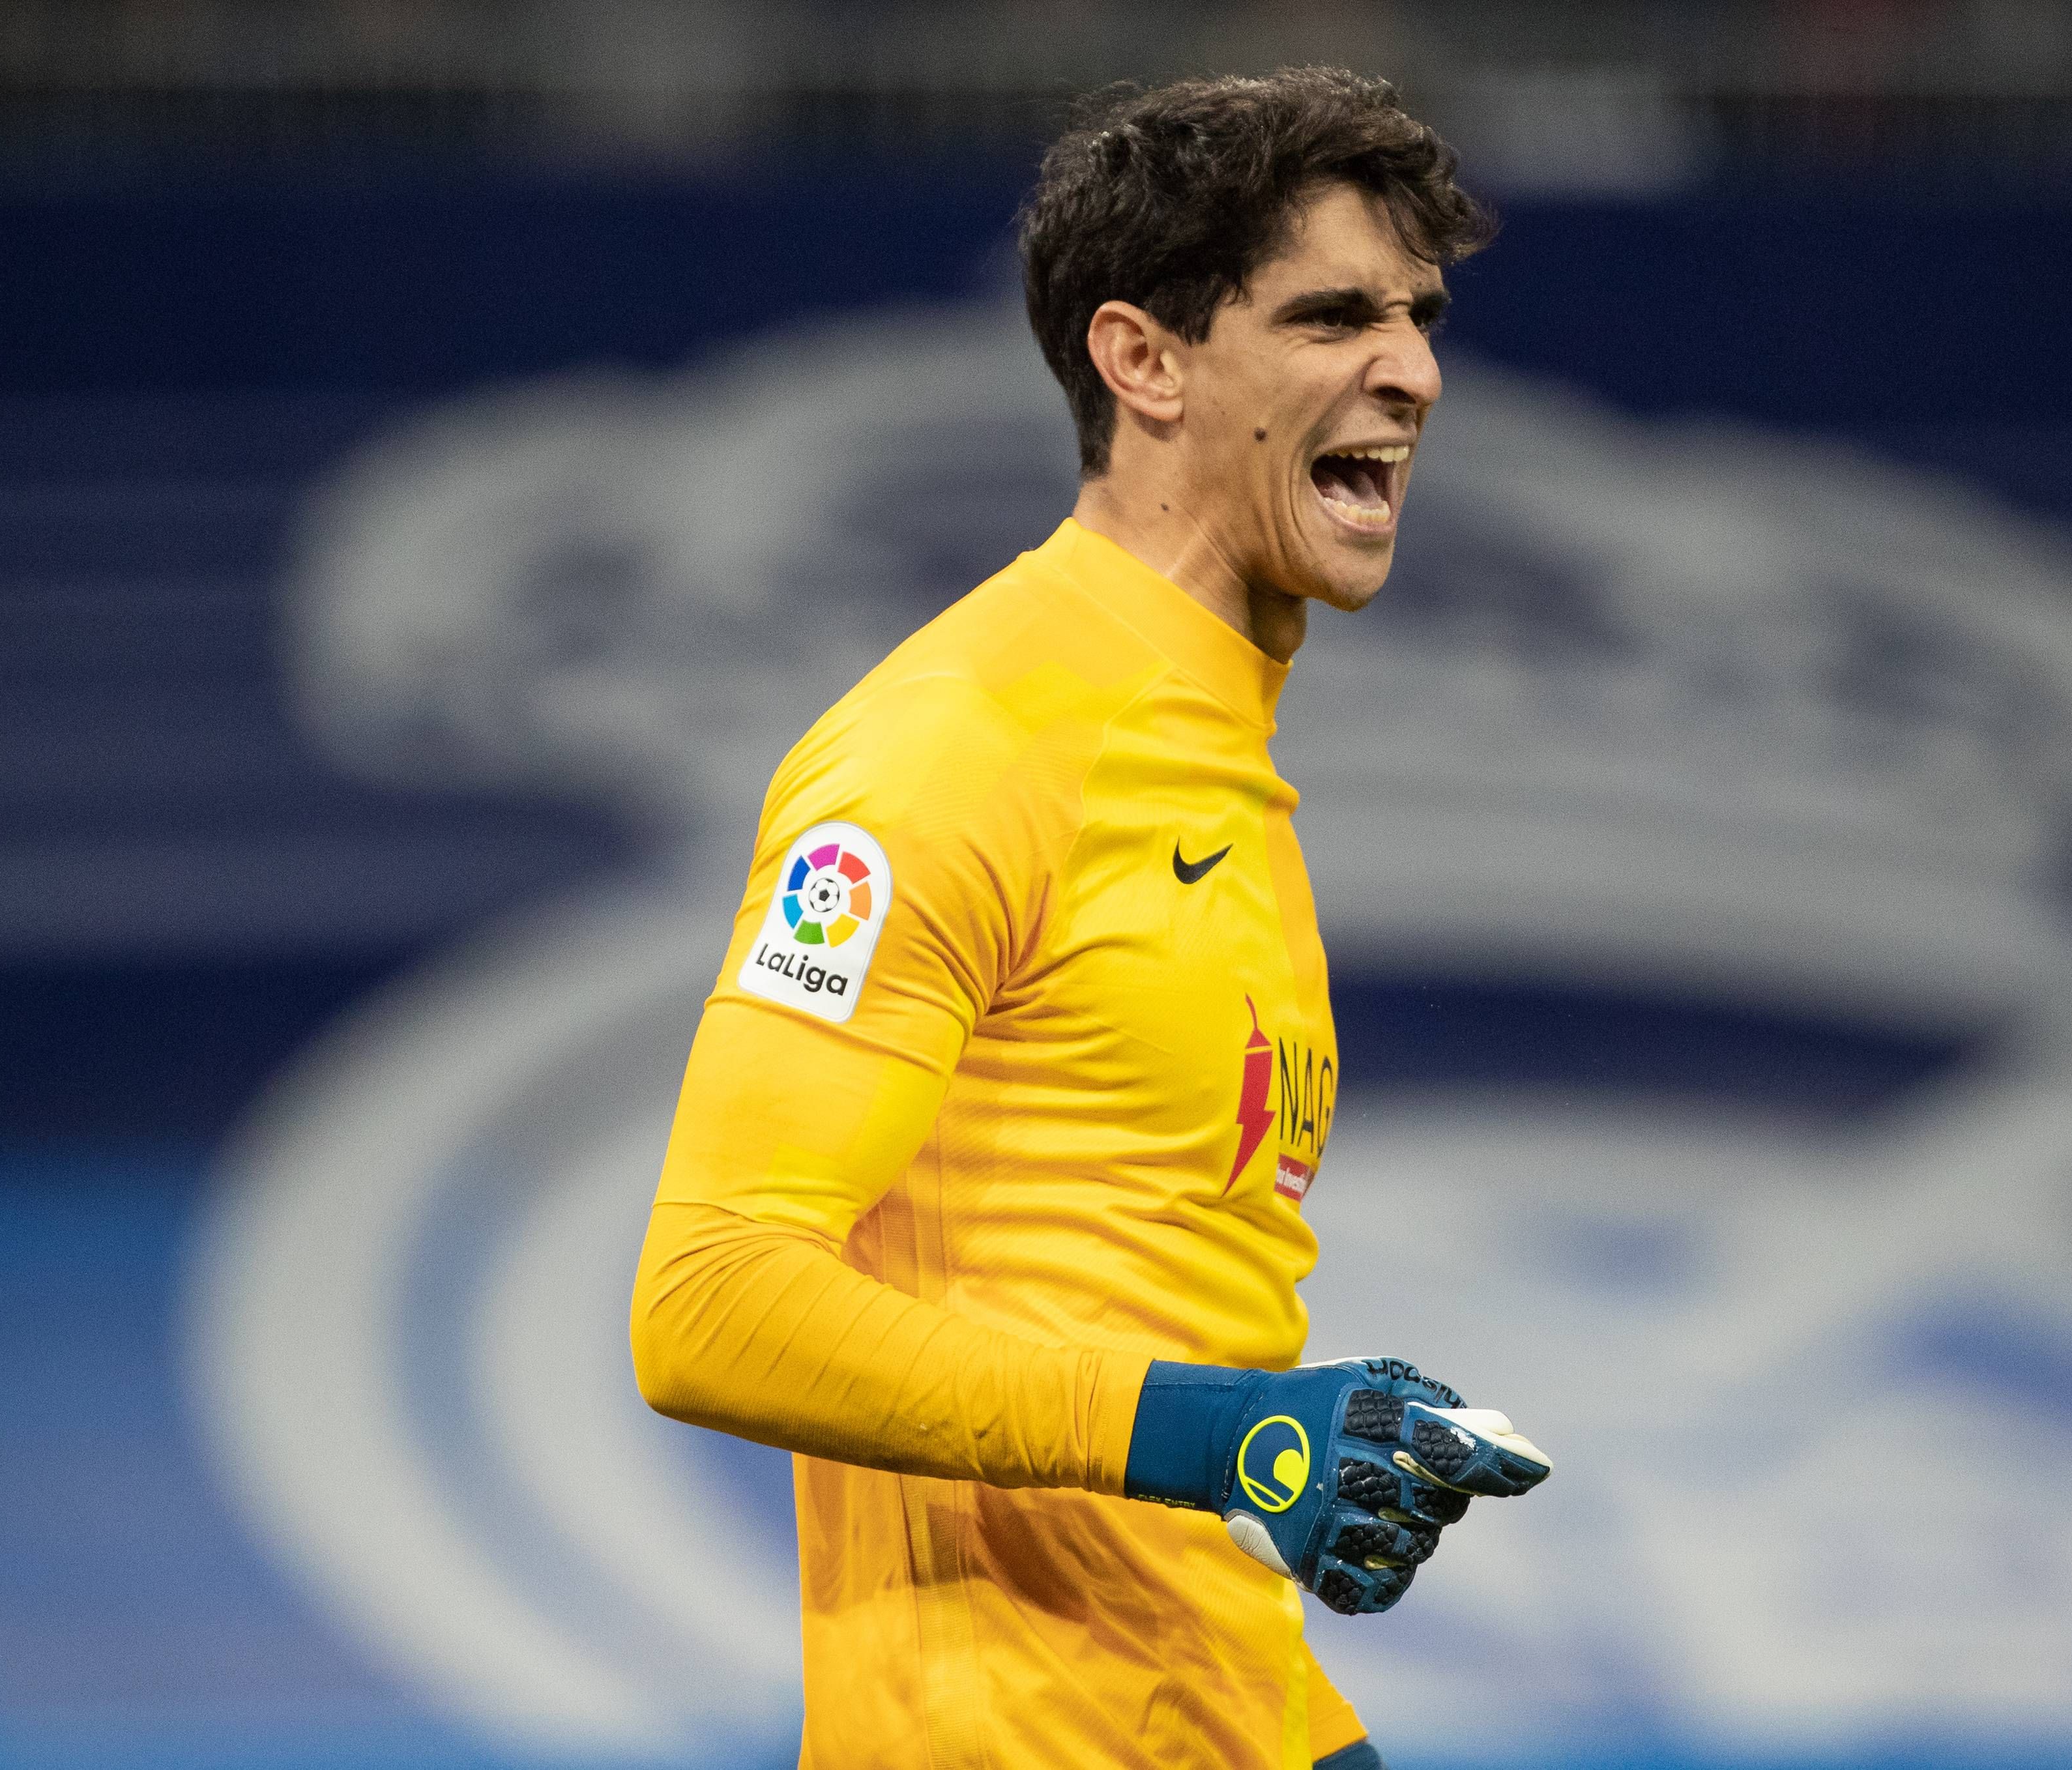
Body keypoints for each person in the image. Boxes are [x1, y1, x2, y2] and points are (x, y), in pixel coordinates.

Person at [630, 66, 1551, 1770]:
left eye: (1419, 318)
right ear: (1145, 361)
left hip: (1221, 1705)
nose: (1412, 370)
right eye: (1332, 315)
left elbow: (1134, 1290)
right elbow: (707, 1298)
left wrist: (1307, 1427)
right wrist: (1222, 1431)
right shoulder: (960, 744)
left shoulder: (1216, 768)